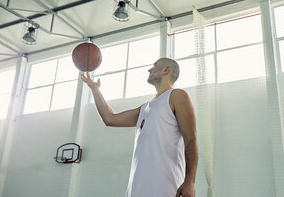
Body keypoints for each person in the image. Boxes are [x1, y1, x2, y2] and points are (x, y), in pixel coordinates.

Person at [81, 58, 198, 197]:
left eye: (154, 66)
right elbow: (109, 118)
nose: (149, 69)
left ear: (166, 70)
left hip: (165, 187)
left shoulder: (177, 95)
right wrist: (95, 89)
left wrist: (189, 182)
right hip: (136, 188)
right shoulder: (145, 108)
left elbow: (191, 139)